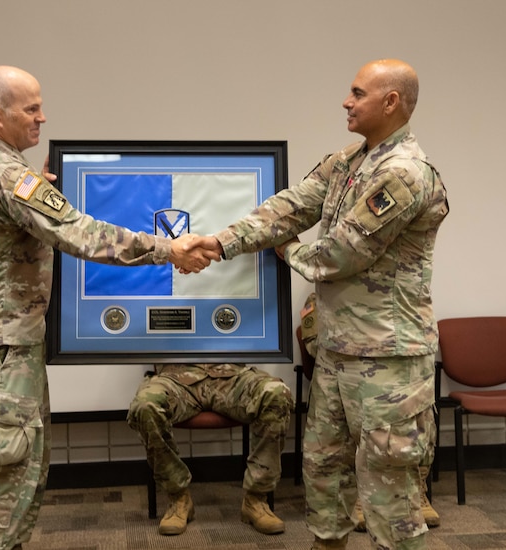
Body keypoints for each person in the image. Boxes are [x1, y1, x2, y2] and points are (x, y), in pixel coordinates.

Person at [0, 65, 220, 550]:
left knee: (21, 463)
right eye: (31, 108)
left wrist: (39, 188)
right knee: (5, 468)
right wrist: (168, 249)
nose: (42, 118)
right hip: (3, 345)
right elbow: (82, 233)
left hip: (3, 340)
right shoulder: (6, 177)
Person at [189, 59, 449, 549]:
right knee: (323, 468)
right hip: (335, 351)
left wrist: (283, 247)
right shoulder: (348, 162)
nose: (346, 102)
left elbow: (336, 257)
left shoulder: (404, 175)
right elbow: (288, 207)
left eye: (357, 93)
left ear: (390, 101)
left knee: (389, 490)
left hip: (388, 361)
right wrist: (219, 243)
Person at [299, 293, 441, 533]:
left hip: (390, 375)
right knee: (351, 439)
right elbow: (313, 342)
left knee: (418, 423)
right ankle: (357, 498)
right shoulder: (321, 299)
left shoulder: (394, 297)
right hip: (348, 374)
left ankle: (419, 489)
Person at [127, 363, 292, 536]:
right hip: (176, 377)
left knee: (277, 394)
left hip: (231, 376)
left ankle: (256, 499)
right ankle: (178, 498)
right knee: (145, 406)